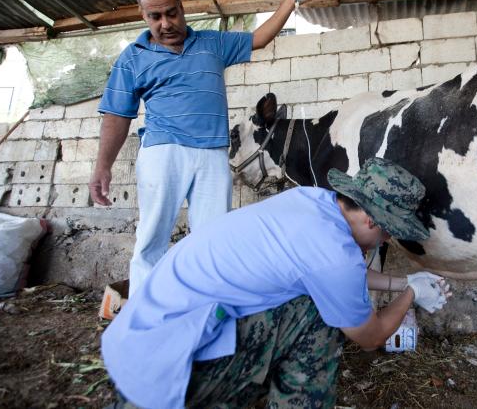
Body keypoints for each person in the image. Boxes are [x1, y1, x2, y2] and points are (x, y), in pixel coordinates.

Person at [102, 158, 451, 408]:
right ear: (375, 222)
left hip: (137, 342)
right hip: (166, 373)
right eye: (390, 232)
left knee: (319, 300)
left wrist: (401, 280)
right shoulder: (334, 254)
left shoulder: (311, 202)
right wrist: (412, 294)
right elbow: (371, 337)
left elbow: (330, 275)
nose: (387, 240)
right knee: (322, 317)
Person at [89, 0, 315, 295]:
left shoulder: (212, 43)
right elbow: (116, 115)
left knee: (212, 238)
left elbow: (259, 38)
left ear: (182, 8)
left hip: (212, 154)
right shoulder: (133, 57)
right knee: (152, 237)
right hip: (163, 152)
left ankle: (204, 309)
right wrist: (103, 166)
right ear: (143, 16)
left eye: (171, 13)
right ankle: (144, 313)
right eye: (155, 16)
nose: (166, 23)